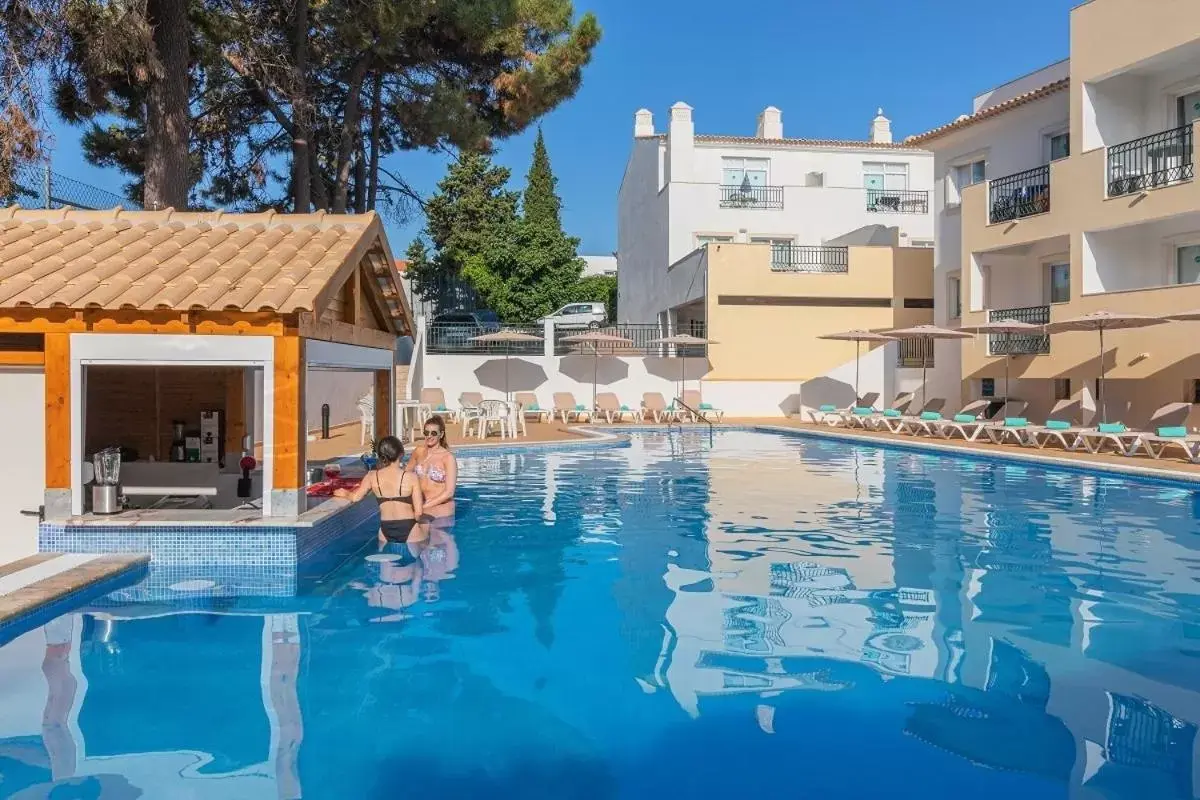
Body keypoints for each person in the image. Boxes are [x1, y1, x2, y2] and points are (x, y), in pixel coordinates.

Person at [334, 436, 425, 545]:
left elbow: (356, 497)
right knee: (426, 532)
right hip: (410, 528)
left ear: (381, 456)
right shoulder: (411, 477)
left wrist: (345, 493)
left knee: (385, 559)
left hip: (385, 528)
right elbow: (419, 513)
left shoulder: (372, 476)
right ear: (401, 453)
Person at [406, 415, 457, 525]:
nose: (429, 436)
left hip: (440, 507)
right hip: (421, 503)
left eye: (433, 433)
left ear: (441, 434)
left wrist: (423, 507)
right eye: (426, 432)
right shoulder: (418, 451)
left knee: (432, 536)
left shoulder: (448, 458)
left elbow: (449, 492)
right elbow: (406, 474)